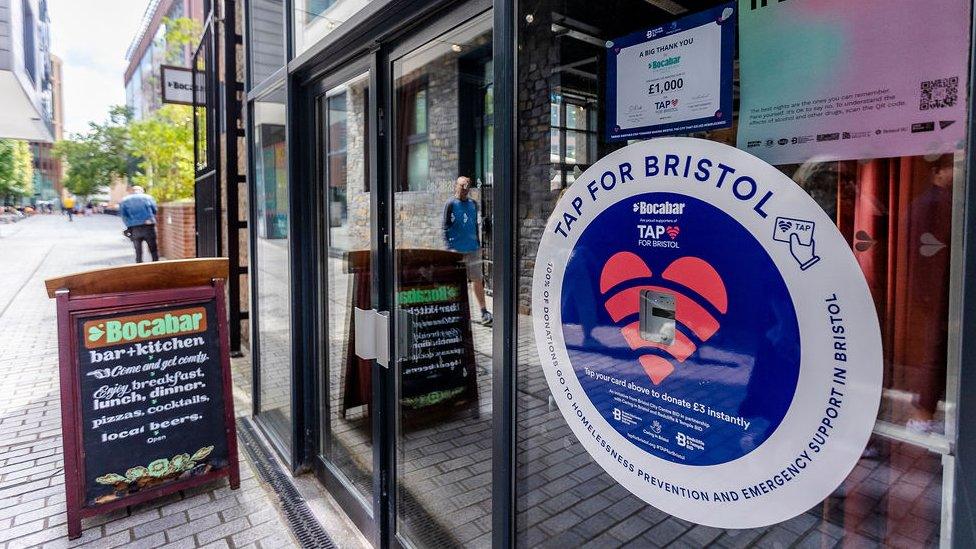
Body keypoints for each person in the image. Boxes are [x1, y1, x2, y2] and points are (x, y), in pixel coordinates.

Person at [443, 176, 492, 326]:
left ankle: (484, 312)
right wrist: (449, 248)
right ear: (456, 186)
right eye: (462, 186)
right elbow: (445, 226)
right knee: (457, 282)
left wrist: (478, 244)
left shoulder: (473, 204)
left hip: (473, 249)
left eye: (467, 187)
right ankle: (456, 312)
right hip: (456, 251)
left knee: (477, 280)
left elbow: (475, 225)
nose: (464, 189)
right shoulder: (450, 204)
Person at [120, 186, 159, 263]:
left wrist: (129, 225)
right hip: (148, 225)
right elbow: (155, 210)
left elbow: (123, 215)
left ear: (132, 191)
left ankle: (139, 265)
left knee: (138, 251)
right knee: (153, 249)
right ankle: (156, 265)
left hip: (134, 228)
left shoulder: (125, 200)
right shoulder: (148, 197)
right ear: (142, 191)